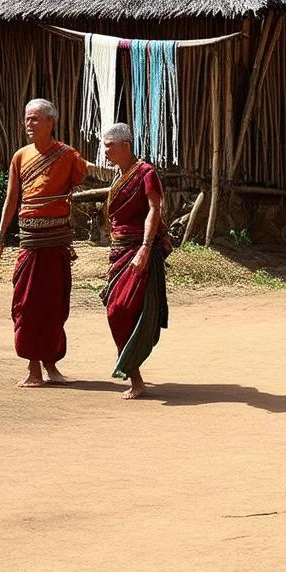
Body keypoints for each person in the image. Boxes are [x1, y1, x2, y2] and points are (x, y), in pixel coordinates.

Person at [0, 99, 88, 388]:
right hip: (30, 243)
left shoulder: (68, 156)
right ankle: (33, 369)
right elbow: (12, 199)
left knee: (55, 306)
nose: (29, 125)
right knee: (28, 306)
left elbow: (85, 181)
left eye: (35, 119)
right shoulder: (20, 157)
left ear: (51, 123)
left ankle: (51, 366)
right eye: (26, 119)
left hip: (57, 242)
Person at [99, 123, 171, 400]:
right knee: (116, 309)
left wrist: (145, 247)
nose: (106, 151)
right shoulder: (119, 176)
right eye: (105, 145)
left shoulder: (146, 173)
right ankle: (134, 373)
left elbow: (155, 208)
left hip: (138, 250)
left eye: (110, 146)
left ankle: (135, 377)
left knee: (121, 309)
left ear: (126, 146)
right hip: (119, 252)